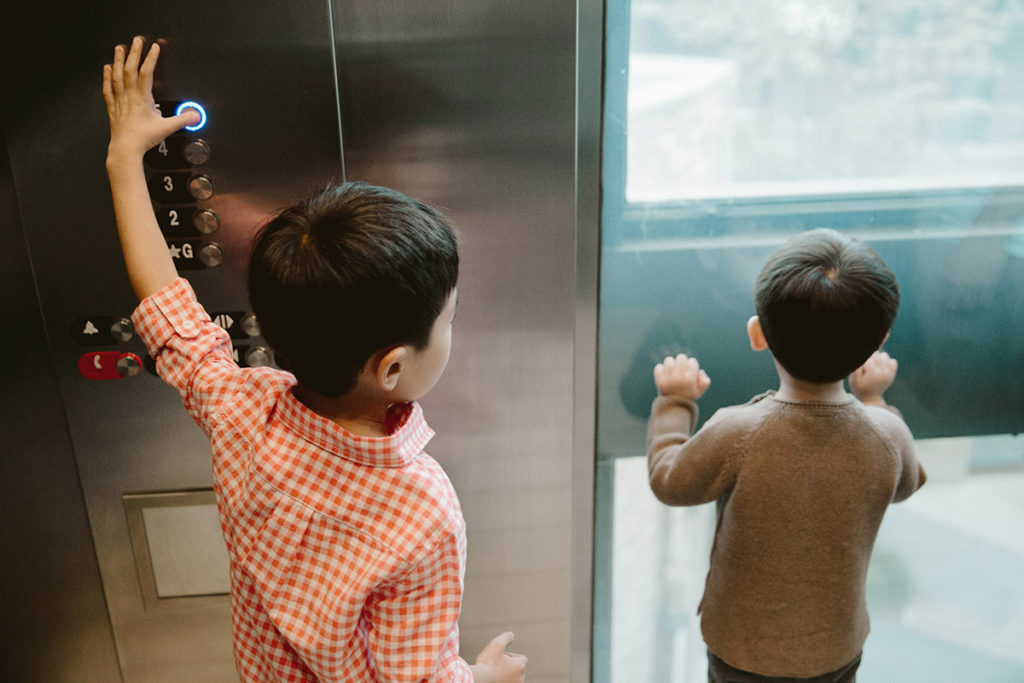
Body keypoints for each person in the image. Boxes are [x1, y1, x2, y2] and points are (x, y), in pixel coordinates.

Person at [103, 36, 527, 683]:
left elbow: (168, 306)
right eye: (449, 318)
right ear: (390, 368)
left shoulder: (242, 407)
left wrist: (124, 157)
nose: (453, 326)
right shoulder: (421, 511)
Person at [646, 228, 926, 683]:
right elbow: (907, 481)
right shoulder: (888, 433)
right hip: (836, 646)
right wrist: (874, 400)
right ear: (878, 343)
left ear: (757, 334)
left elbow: (670, 481)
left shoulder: (737, 430)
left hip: (742, 649)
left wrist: (675, 404)